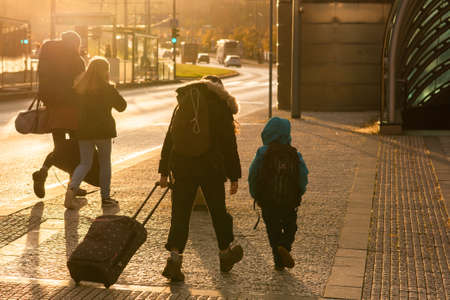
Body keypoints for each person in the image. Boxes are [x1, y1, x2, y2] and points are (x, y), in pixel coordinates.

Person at [158, 75, 243, 282]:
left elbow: (170, 138)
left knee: (180, 214)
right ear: (218, 89)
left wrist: (163, 171)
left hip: (182, 166)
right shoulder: (220, 105)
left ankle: (174, 261)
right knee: (218, 212)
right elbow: (228, 144)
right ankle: (225, 254)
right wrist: (234, 175)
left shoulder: (183, 102)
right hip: (211, 168)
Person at [64, 56, 127, 209]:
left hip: (83, 131)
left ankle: (72, 189)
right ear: (105, 71)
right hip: (103, 131)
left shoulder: (79, 89)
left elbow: (71, 107)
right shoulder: (108, 89)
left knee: (85, 163)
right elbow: (122, 106)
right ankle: (105, 199)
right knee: (105, 164)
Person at [248, 117, 308, 271]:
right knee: (290, 228)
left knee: (273, 231)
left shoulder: (263, 153)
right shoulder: (294, 154)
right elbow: (303, 175)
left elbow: (253, 174)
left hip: (268, 202)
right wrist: (300, 192)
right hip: (289, 202)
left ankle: (278, 261)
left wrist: (256, 194)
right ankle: (285, 246)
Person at [32, 31, 86, 199]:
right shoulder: (77, 61)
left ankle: (43, 172)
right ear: (76, 43)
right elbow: (82, 85)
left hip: (54, 108)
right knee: (76, 148)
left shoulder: (51, 58)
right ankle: (73, 185)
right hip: (73, 109)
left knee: (61, 147)